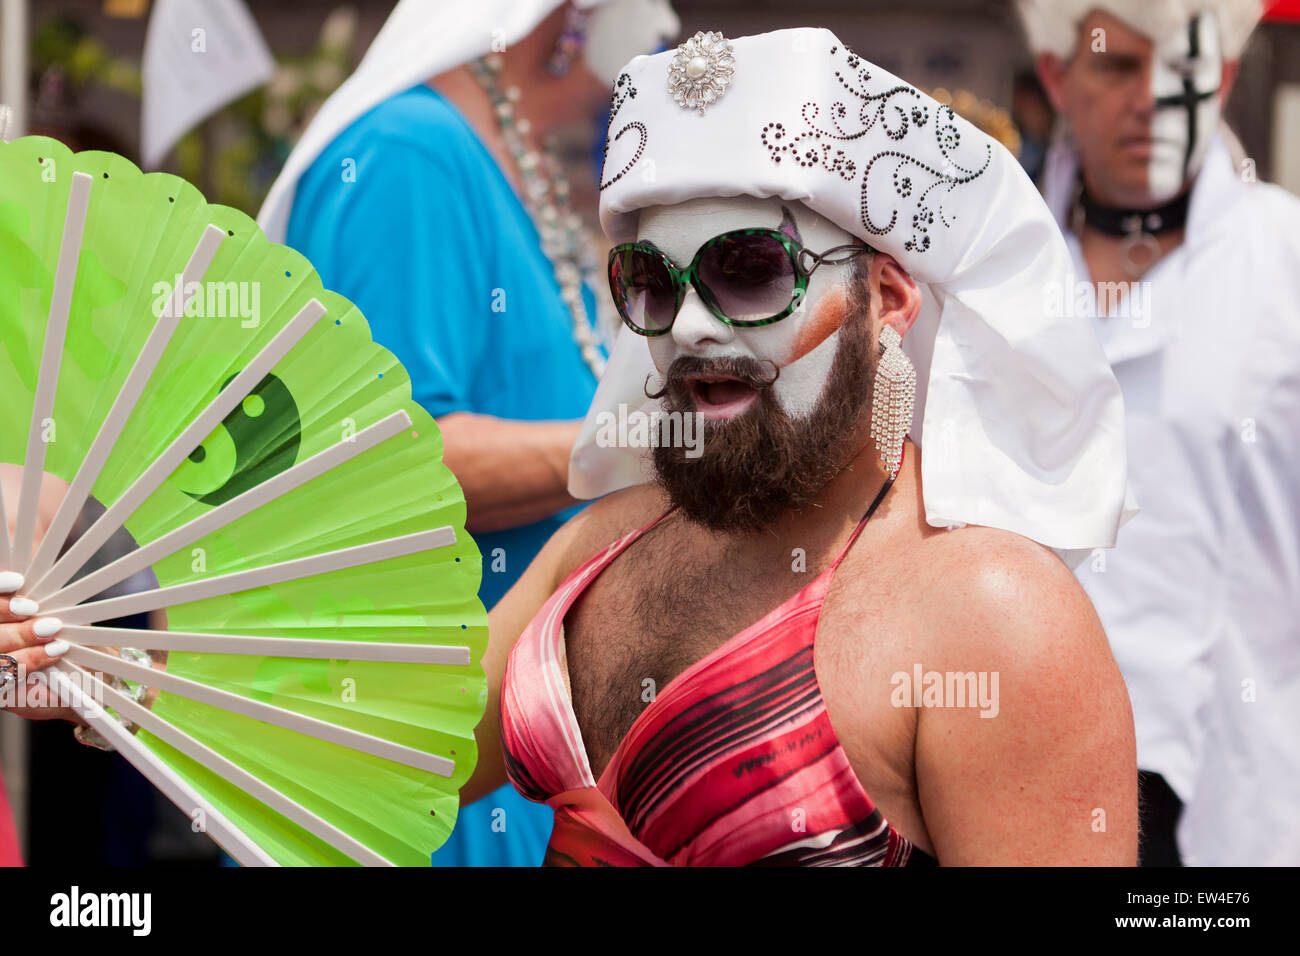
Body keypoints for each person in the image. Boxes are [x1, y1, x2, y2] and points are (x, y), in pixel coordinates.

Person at [460, 27, 1139, 866]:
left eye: (750, 269)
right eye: (651, 280)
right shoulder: (598, 550)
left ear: (887, 298)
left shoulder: (994, 616)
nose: (692, 325)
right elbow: (384, 755)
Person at [257, 0, 680, 865]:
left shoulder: (478, 157)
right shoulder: (408, 154)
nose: (662, 31)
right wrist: (665, 448)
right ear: (571, 15)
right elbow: (384, 460)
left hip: (498, 741)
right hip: (429, 751)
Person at [1017, 0, 1300, 865]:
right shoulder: (983, 272)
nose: (1151, 98)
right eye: (1116, 65)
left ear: (1222, 79)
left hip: (1230, 795)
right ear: (1062, 77)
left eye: (1179, 68)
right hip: (1010, 786)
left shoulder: (1288, 265)